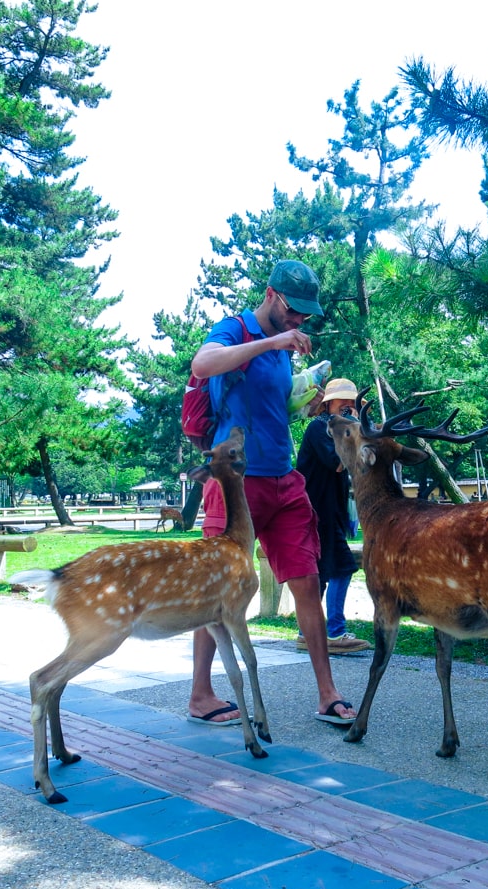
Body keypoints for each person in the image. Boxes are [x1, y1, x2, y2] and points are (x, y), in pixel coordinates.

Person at [186, 260, 359, 727]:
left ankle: (328, 693)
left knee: (307, 582)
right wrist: (274, 340)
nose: (300, 321)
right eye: (294, 311)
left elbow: (270, 406)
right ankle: (201, 694)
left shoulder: (286, 348)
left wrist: (305, 397)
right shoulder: (235, 328)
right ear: (271, 295)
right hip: (237, 486)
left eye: (305, 314)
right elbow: (202, 364)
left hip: (284, 480)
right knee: (216, 592)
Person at [295, 377, 372, 654]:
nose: (348, 407)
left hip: (329, 511)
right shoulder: (320, 428)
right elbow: (339, 463)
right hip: (317, 511)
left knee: (321, 572)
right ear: (328, 404)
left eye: (352, 404)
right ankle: (335, 632)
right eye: (343, 402)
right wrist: (356, 430)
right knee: (342, 567)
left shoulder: (335, 428)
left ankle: (306, 633)